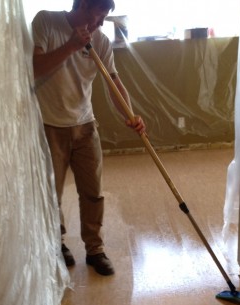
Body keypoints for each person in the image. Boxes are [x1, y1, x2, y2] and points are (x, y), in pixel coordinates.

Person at [32, 0, 146, 275]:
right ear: (82, 4)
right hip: (50, 126)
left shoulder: (101, 41)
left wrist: (131, 115)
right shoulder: (46, 22)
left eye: (105, 16)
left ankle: (95, 249)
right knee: (51, 194)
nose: (100, 23)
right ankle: (57, 244)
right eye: (98, 15)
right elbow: (34, 67)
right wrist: (71, 45)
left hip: (85, 126)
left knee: (93, 193)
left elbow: (113, 82)